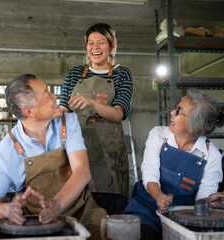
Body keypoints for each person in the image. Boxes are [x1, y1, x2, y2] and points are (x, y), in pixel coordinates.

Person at [0, 74, 107, 240]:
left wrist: (57, 203)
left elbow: (83, 171)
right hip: (35, 220)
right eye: (47, 93)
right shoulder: (5, 151)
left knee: (106, 230)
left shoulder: (68, 122)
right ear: (29, 111)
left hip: (81, 210)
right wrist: (8, 209)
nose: (55, 96)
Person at [123, 89, 224, 240]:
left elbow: (203, 195)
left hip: (183, 216)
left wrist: (210, 201)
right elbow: (149, 172)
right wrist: (158, 196)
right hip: (145, 208)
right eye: (175, 108)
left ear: (195, 126)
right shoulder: (158, 134)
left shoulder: (211, 155)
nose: (171, 113)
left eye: (179, 112)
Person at [60, 23, 134, 214]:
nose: (95, 47)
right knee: (78, 216)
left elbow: (118, 114)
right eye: (90, 43)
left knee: (111, 215)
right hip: (77, 153)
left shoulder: (122, 74)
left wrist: (91, 102)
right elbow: (63, 111)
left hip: (111, 160)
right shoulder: (75, 74)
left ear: (112, 46)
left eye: (101, 42)